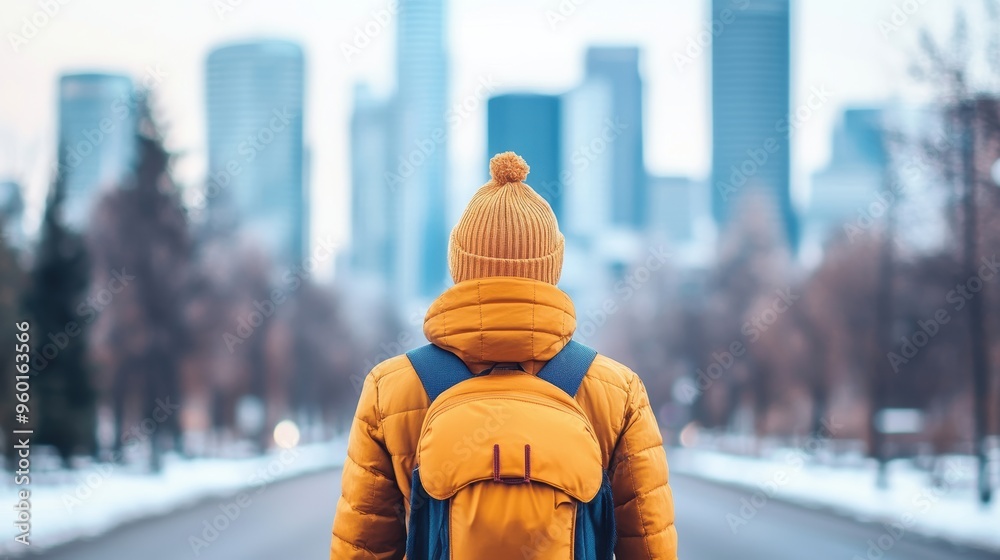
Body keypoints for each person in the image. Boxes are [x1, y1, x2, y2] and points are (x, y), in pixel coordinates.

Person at [331, 152, 678, 559]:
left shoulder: (390, 387)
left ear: (459, 265)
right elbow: (651, 549)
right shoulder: (618, 391)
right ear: (553, 269)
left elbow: (362, 550)